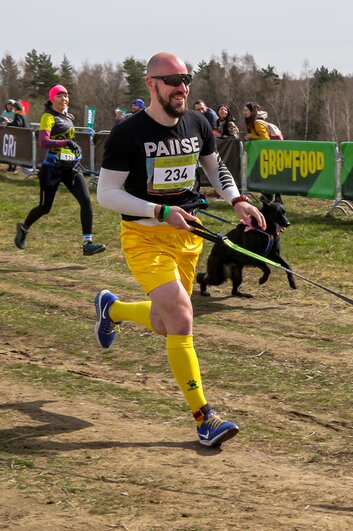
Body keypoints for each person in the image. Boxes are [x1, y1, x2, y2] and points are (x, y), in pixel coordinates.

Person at [94, 52, 265, 447]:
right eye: (172, 80)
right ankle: (205, 418)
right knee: (183, 317)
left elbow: (213, 167)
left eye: (186, 79)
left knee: (164, 323)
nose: (182, 87)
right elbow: (106, 194)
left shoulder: (197, 122)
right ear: (151, 84)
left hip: (188, 234)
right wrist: (158, 210)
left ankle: (113, 309)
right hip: (145, 236)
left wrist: (237, 200)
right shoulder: (128, 134)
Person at [14, 85, 106, 256]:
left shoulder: (69, 117)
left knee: (86, 201)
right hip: (51, 169)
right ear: (51, 99)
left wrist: (74, 149)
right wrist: (66, 143)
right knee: (44, 207)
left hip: (70, 168)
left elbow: (67, 141)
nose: (64, 99)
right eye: (59, 96)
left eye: (65, 96)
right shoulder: (48, 117)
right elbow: (44, 142)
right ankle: (23, 227)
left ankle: (87, 243)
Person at [5, 101, 29, 172]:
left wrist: (9, 124)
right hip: (25, 136)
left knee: (15, 153)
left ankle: (14, 168)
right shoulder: (24, 113)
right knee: (17, 153)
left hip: (21, 137)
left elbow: (18, 124)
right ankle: (13, 167)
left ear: (16, 108)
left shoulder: (18, 114)